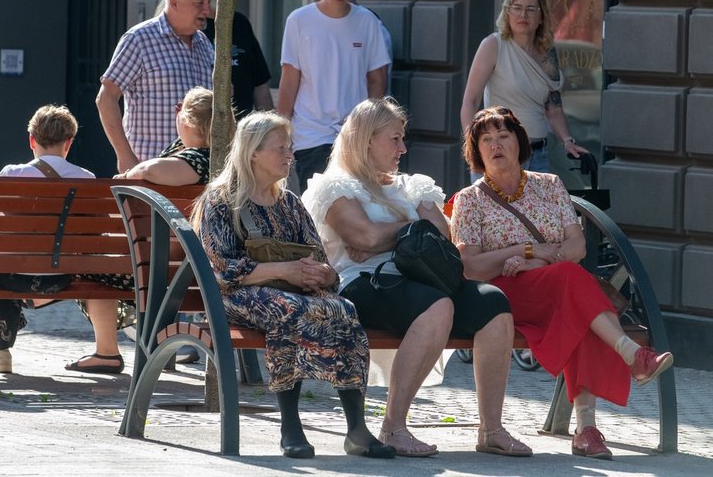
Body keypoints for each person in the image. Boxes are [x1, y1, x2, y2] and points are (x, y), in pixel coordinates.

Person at [302, 98, 530, 458]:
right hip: (363, 282)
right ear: (366, 141)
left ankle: (491, 429)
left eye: (402, 139)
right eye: (394, 139)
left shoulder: (413, 186)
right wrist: (406, 230)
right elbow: (362, 240)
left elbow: (440, 233)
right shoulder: (335, 186)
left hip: (423, 278)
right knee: (436, 307)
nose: (402, 148)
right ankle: (393, 427)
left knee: (494, 303)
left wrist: (388, 232)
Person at [451, 106, 675, 460]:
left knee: (577, 304)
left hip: (557, 287)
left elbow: (577, 246)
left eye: (504, 136)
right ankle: (631, 357)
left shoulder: (550, 186)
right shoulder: (469, 200)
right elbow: (470, 266)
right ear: (476, 151)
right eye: (486, 140)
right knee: (575, 286)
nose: (496, 145)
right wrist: (524, 249)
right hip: (502, 297)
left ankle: (587, 432)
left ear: (519, 142)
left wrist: (536, 260)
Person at [194, 111, 395, 460]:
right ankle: (290, 425)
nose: (290, 154)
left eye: (291, 147)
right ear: (253, 152)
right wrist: (286, 270)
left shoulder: (289, 203)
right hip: (232, 297)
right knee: (288, 307)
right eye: (280, 148)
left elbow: (323, 262)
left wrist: (323, 275)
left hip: (289, 292)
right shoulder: (222, 201)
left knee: (344, 309)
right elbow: (224, 271)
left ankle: (357, 429)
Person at [65, 87, 222, 374]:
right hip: (194, 266)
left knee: (91, 263)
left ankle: (107, 351)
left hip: (160, 270)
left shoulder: (198, 160)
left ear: (186, 121)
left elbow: (154, 171)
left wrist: (131, 174)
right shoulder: (223, 160)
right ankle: (144, 343)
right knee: (100, 258)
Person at [0, 104, 95, 374]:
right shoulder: (86, 179)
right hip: (63, 276)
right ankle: (27, 305)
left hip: (12, 275)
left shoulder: (12, 174)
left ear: (32, 140)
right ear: (69, 143)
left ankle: (1, 351)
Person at [277, 0, 390, 191]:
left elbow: (377, 81)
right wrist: (281, 133)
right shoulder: (299, 20)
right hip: (311, 135)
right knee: (323, 208)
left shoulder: (367, 22)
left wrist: (374, 130)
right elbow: (289, 80)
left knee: (357, 204)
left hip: (356, 135)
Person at [460, 0, 588, 173]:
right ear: (507, 13)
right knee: (498, 204)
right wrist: (474, 146)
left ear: (541, 16)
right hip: (499, 154)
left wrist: (567, 141)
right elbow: (470, 101)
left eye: (530, 9)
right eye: (517, 8)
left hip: (538, 154)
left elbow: (553, 108)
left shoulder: (547, 53)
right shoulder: (494, 45)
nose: (523, 15)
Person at [97, 0, 214, 173]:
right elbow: (106, 98)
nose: (207, 10)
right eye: (199, 3)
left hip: (196, 172)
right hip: (148, 169)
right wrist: (125, 156)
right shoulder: (140, 39)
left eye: (208, 2)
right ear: (175, 1)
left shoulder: (203, 43)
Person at [193, 0, 273, 117]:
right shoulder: (190, 27)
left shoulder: (240, 23)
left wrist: (267, 130)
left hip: (241, 131)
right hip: (203, 130)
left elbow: (261, 85)